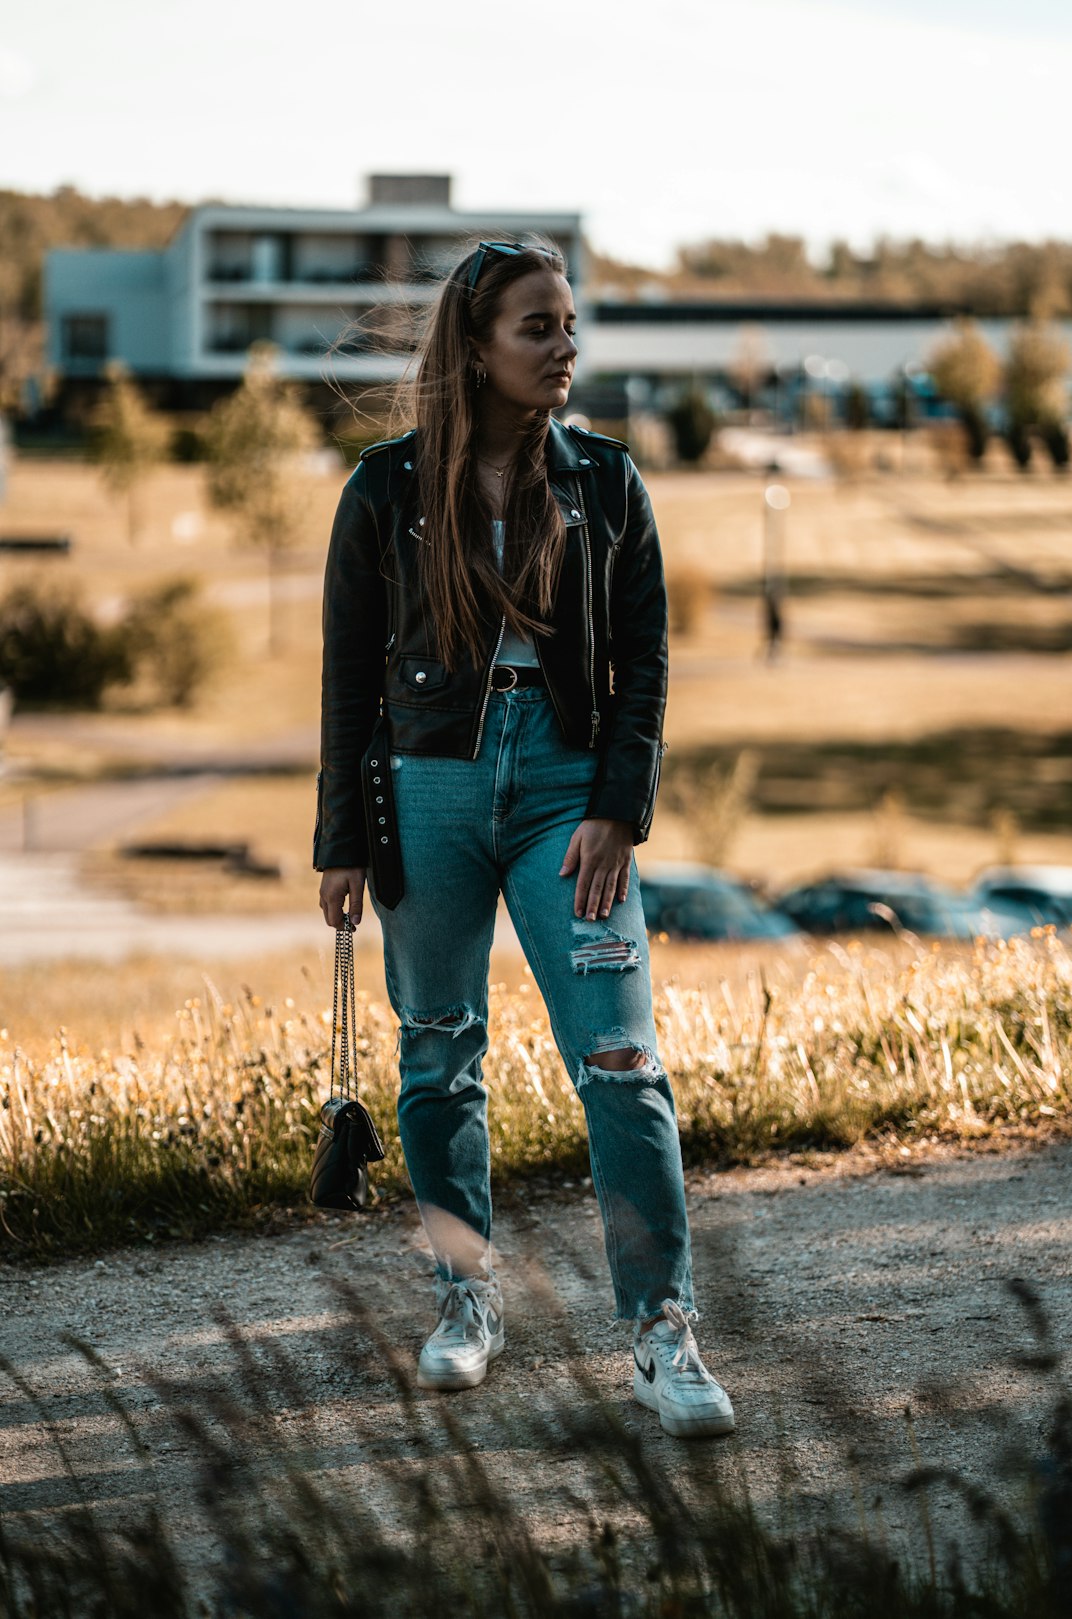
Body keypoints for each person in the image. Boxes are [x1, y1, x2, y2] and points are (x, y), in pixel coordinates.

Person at [315, 239, 734, 1440]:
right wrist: (341, 835)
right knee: (438, 1053)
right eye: (536, 328)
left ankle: (662, 1331)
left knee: (623, 1062)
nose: (563, 347)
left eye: (566, 325)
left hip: (566, 793)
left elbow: (643, 660)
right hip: (428, 789)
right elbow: (349, 675)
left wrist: (618, 803)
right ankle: (465, 1299)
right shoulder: (385, 489)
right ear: (477, 346)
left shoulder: (606, 482)